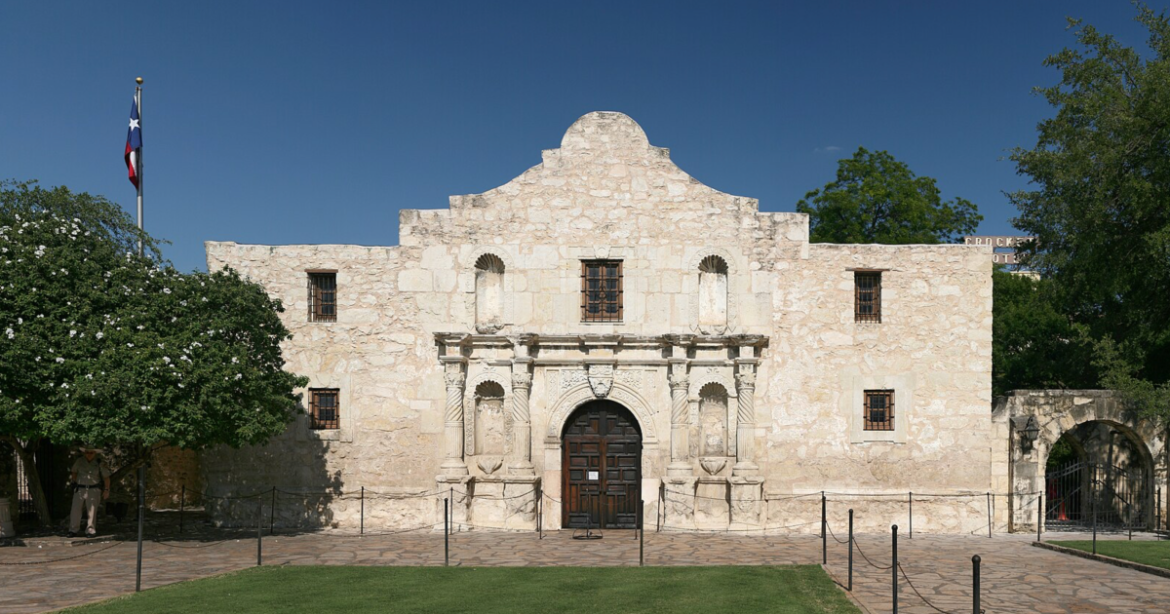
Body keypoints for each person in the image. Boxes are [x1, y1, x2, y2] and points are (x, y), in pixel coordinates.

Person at [68, 446, 111, 537]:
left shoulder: (99, 463)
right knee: (75, 509)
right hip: (80, 488)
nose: (89, 454)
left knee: (92, 510)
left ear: (95, 453)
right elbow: (74, 471)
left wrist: (106, 490)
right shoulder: (80, 461)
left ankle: (90, 530)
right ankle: (73, 530)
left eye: (91, 453)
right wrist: (74, 482)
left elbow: (106, 477)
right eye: (87, 452)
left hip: (93, 489)